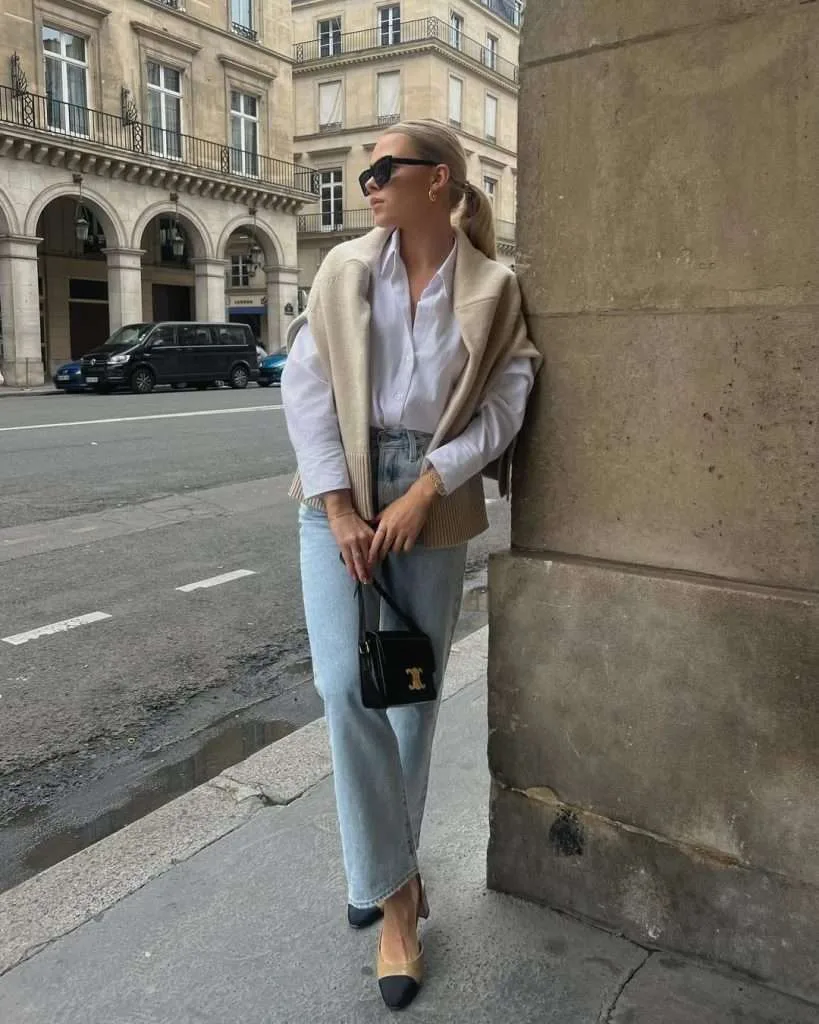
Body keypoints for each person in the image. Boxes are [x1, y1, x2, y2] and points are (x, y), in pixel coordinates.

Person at [281, 119, 540, 1011]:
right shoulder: (344, 270)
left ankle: (388, 874)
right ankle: (397, 898)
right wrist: (341, 507)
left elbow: (508, 400)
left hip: (430, 495)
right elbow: (305, 384)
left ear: (439, 180)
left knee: (410, 697)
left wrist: (428, 487)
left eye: (382, 169)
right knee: (342, 687)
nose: (366, 186)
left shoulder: (494, 286)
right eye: (364, 174)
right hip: (340, 494)